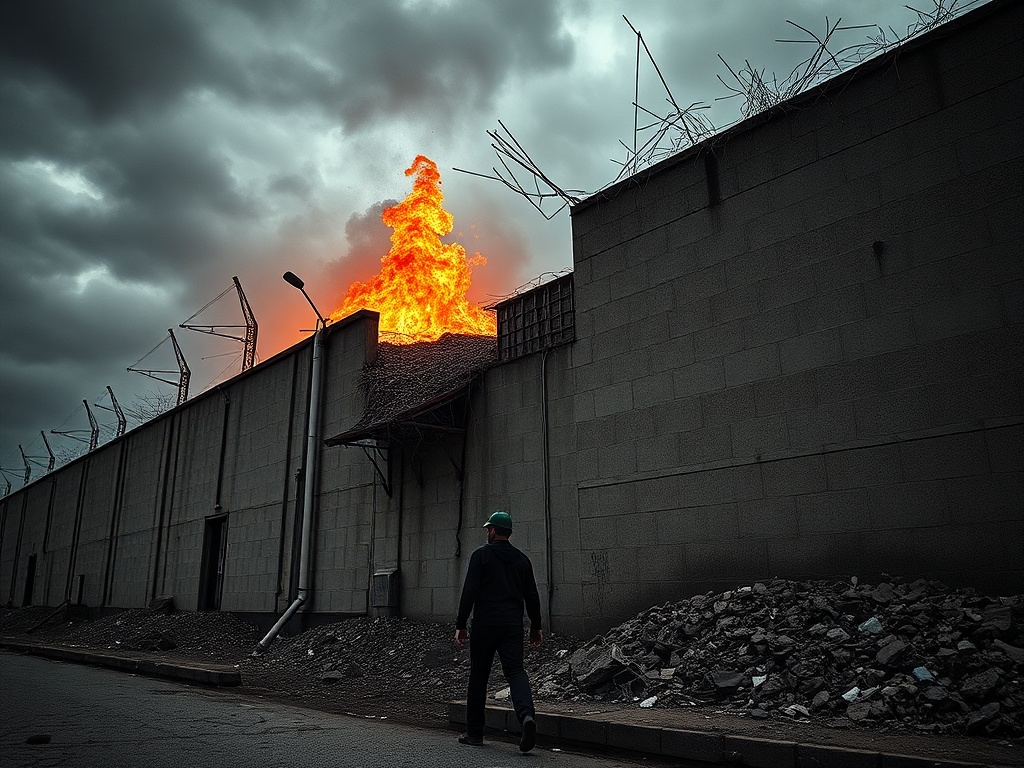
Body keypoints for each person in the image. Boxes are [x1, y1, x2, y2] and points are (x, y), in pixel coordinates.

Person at [454, 509, 544, 752]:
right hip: (512, 626)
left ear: (493, 531)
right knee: (516, 672)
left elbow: (469, 591)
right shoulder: (522, 560)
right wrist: (535, 627)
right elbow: (532, 596)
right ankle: (526, 717)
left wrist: (461, 624)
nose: (487, 533)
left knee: (479, 676)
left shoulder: (480, 556)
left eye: (488, 529)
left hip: (485, 625)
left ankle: (475, 734)